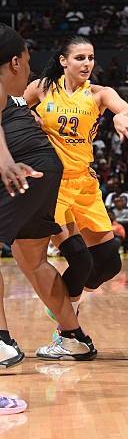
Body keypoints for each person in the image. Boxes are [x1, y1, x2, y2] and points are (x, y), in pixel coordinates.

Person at [24, 36, 128, 355]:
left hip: (85, 184)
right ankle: (66, 326)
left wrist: (121, 117)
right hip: (51, 185)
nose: (87, 63)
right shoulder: (42, 88)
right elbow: (11, 108)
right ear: (64, 61)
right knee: (81, 259)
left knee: (109, 264)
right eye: (80, 58)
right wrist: (26, 120)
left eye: (90, 57)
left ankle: (67, 304)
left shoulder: (100, 93)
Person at [0, 24, 96, 382]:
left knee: (33, 258)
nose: (29, 68)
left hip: (23, 163)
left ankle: (1, 342)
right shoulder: (8, 88)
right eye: (26, 61)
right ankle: (74, 338)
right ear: (13, 62)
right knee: (33, 259)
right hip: (44, 165)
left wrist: (5, 160)